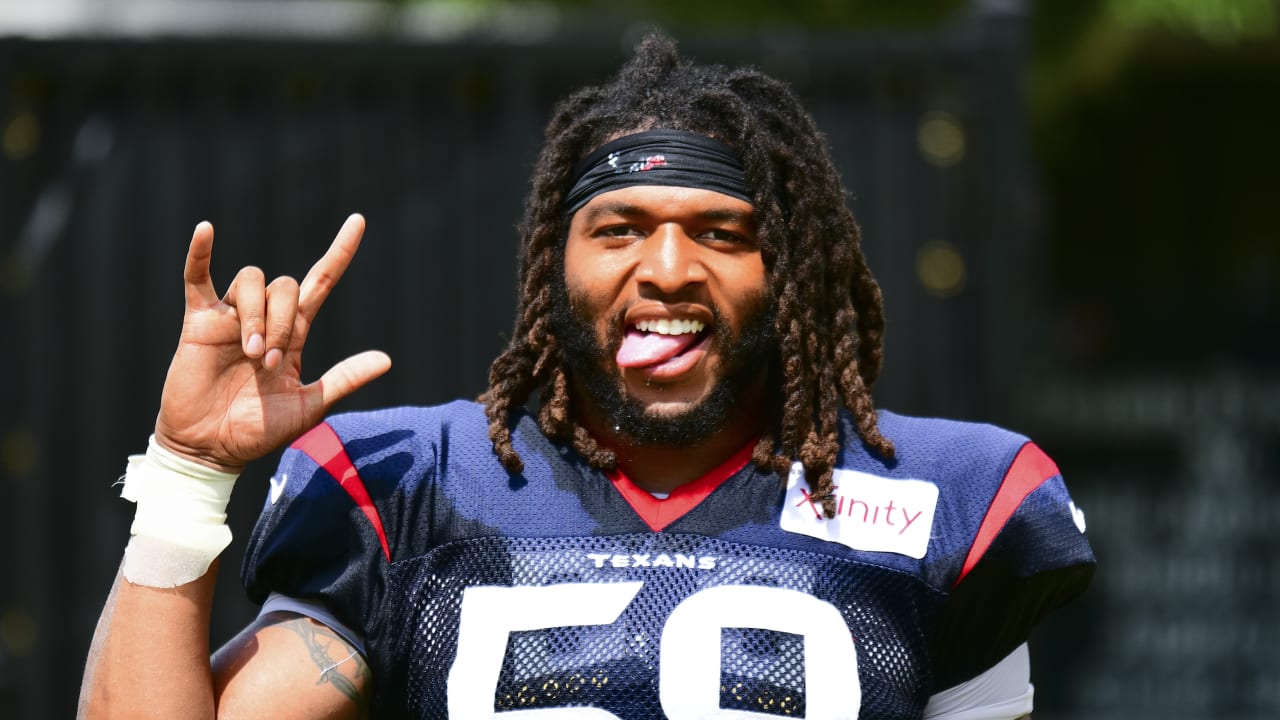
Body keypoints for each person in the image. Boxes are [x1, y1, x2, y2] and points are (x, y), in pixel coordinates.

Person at [79, 34, 1094, 720]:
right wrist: (188, 471)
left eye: (720, 233)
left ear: (786, 271)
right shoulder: (411, 485)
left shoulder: (946, 497)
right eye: (617, 230)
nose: (663, 270)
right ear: (551, 271)